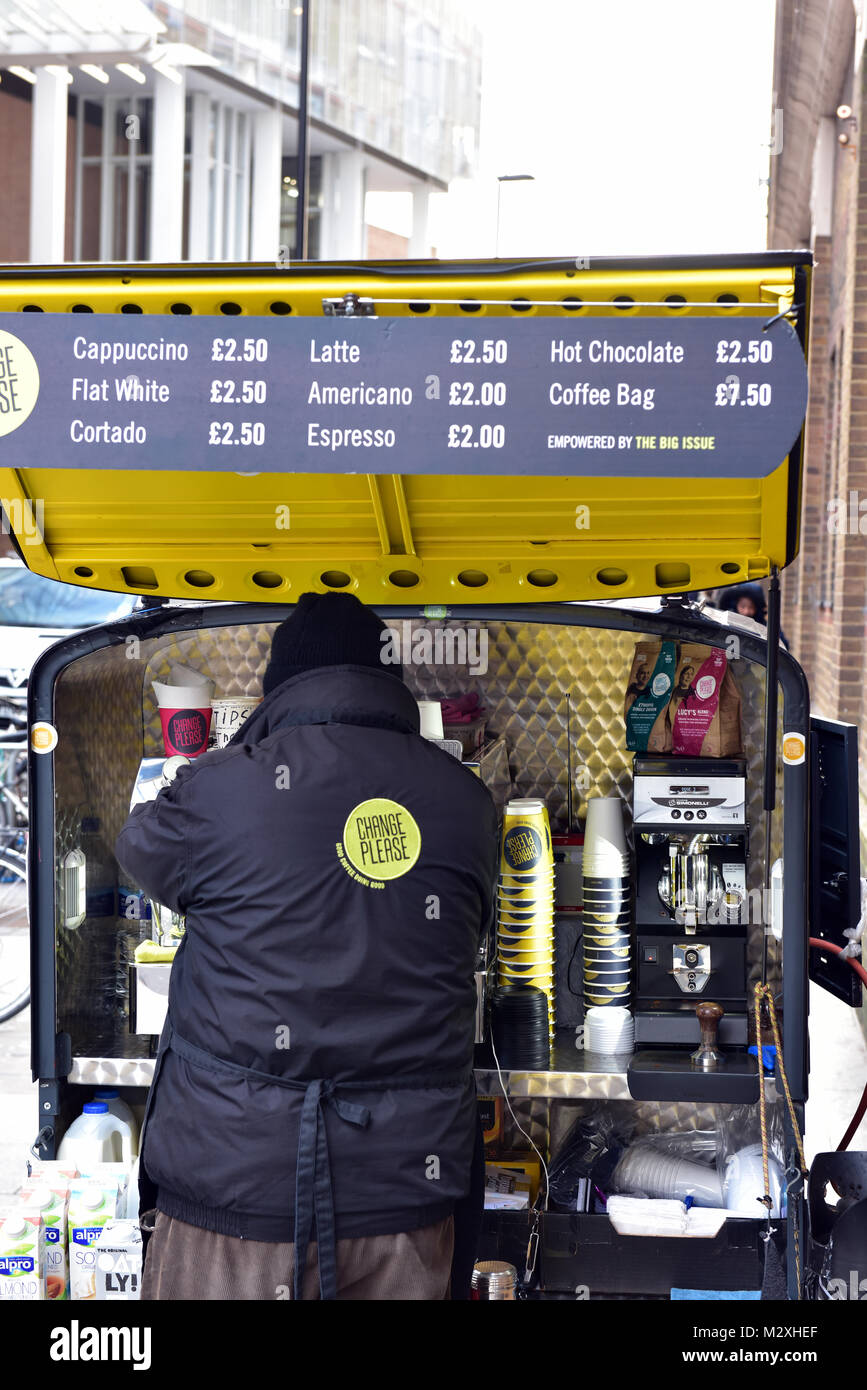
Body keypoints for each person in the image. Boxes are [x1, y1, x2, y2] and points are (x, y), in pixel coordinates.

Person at [116, 591, 499, 1301]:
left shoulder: (223, 789)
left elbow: (138, 845)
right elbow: (467, 930)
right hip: (404, 1204)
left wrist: (240, 753)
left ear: (276, 688)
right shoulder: (466, 801)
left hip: (232, 1197)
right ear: (393, 686)